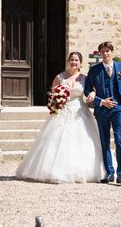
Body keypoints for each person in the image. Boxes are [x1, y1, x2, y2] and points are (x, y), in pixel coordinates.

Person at [16, 52, 105, 183]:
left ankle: (83, 171)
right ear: (68, 61)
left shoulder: (84, 78)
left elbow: (91, 90)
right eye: (72, 60)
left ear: (80, 63)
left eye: (77, 60)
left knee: (82, 141)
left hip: (80, 112)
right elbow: (52, 95)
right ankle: (55, 171)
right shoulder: (60, 77)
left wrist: (92, 93)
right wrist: (57, 102)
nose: (74, 62)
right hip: (63, 111)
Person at [84, 41, 121, 185]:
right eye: (103, 51)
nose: (105, 54)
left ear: (112, 52)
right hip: (102, 110)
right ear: (100, 54)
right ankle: (109, 173)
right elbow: (88, 90)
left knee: (119, 140)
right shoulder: (94, 70)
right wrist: (101, 101)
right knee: (105, 142)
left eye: (108, 51)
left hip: (119, 109)